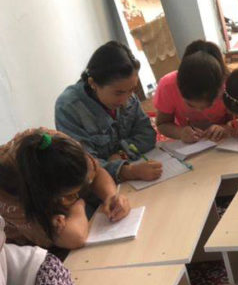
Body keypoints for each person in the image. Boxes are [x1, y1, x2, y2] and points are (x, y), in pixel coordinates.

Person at [0, 128, 130, 249]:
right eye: (71, 194)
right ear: (47, 194)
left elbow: (97, 173)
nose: (76, 196)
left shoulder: (50, 144)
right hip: (25, 250)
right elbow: (74, 238)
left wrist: (110, 196)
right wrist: (77, 205)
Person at [54, 40, 160, 184]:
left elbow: (147, 134)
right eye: (118, 93)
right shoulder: (69, 108)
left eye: (132, 90)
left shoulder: (126, 92)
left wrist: (122, 153)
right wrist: (126, 171)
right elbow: (84, 165)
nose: (125, 100)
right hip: (97, 195)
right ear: (93, 83)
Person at [153, 40, 238, 144]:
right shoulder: (168, 86)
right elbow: (162, 124)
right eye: (190, 105)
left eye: (208, 105)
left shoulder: (230, 86)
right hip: (189, 145)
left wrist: (225, 128)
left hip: (223, 142)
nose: (199, 110)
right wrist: (180, 132)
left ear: (220, 89)